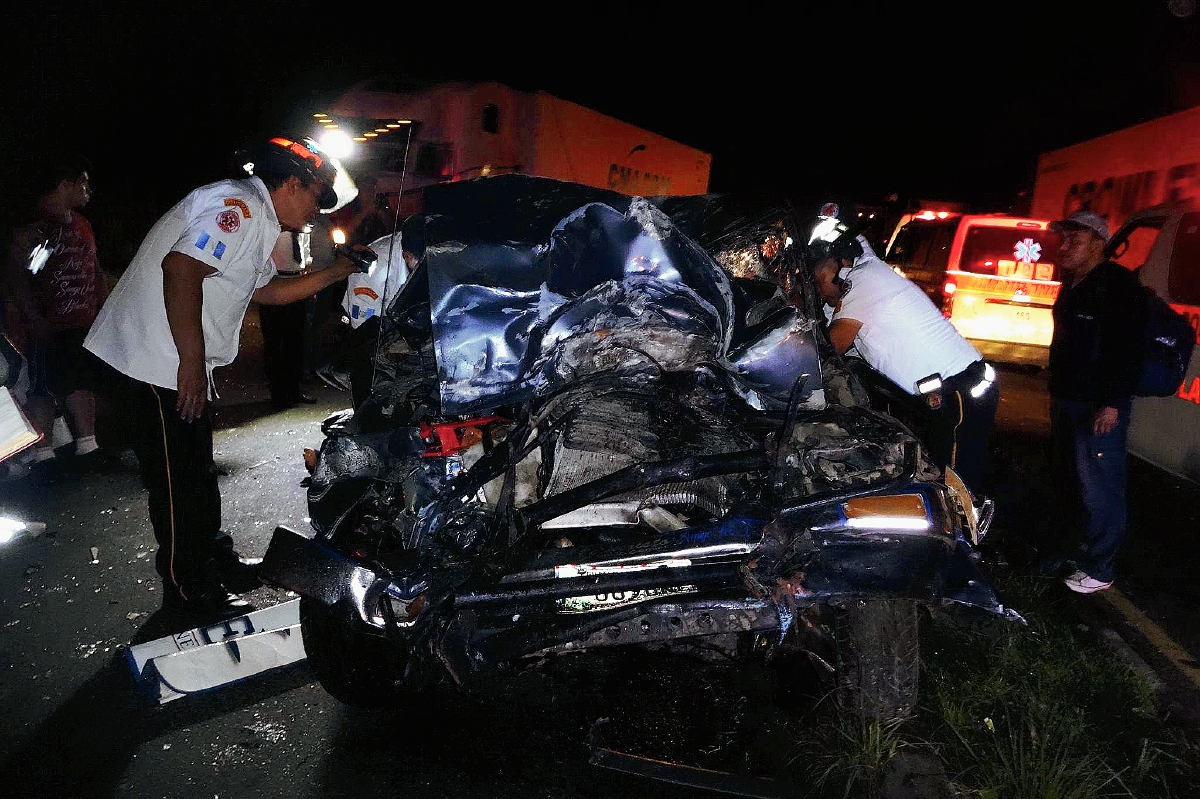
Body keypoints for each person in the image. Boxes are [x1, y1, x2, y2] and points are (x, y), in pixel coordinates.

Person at [83, 136, 371, 620]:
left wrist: (334, 272)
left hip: (173, 360)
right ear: (292, 184)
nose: (318, 212)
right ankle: (187, 589)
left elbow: (267, 292)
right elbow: (181, 269)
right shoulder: (233, 206)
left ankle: (214, 561)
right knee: (177, 483)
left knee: (197, 472)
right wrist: (191, 363)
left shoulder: (259, 220)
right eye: (316, 198)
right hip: (154, 360)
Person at [806, 200, 999, 494]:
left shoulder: (866, 281)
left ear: (842, 265)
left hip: (959, 393)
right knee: (935, 473)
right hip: (937, 395)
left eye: (819, 278)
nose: (818, 289)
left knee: (955, 484)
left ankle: (968, 536)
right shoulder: (857, 286)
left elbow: (829, 347)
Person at [1046, 209, 1143, 594]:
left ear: (1099, 244)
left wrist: (1113, 403)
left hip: (1097, 405)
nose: (1064, 246)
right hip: (1069, 399)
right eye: (1063, 239)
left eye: (1075, 240)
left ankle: (1100, 568)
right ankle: (1075, 551)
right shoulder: (1074, 283)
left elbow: (1127, 350)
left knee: (1100, 485)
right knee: (1070, 481)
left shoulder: (1118, 287)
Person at [4, 152, 106, 480]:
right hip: (48, 324)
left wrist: (101, 303)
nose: (88, 191)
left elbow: (94, 266)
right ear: (65, 185)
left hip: (82, 319)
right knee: (44, 387)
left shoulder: (81, 223)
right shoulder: (34, 228)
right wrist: (34, 317)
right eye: (83, 184)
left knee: (81, 381)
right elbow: (22, 276)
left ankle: (88, 447)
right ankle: (44, 456)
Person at [258, 229, 317, 408]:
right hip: (275, 283)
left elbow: (305, 250)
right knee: (275, 342)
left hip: (297, 280)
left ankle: (294, 390)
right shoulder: (272, 227)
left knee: (296, 340)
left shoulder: (302, 226)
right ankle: (278, 393)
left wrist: (308, 279)